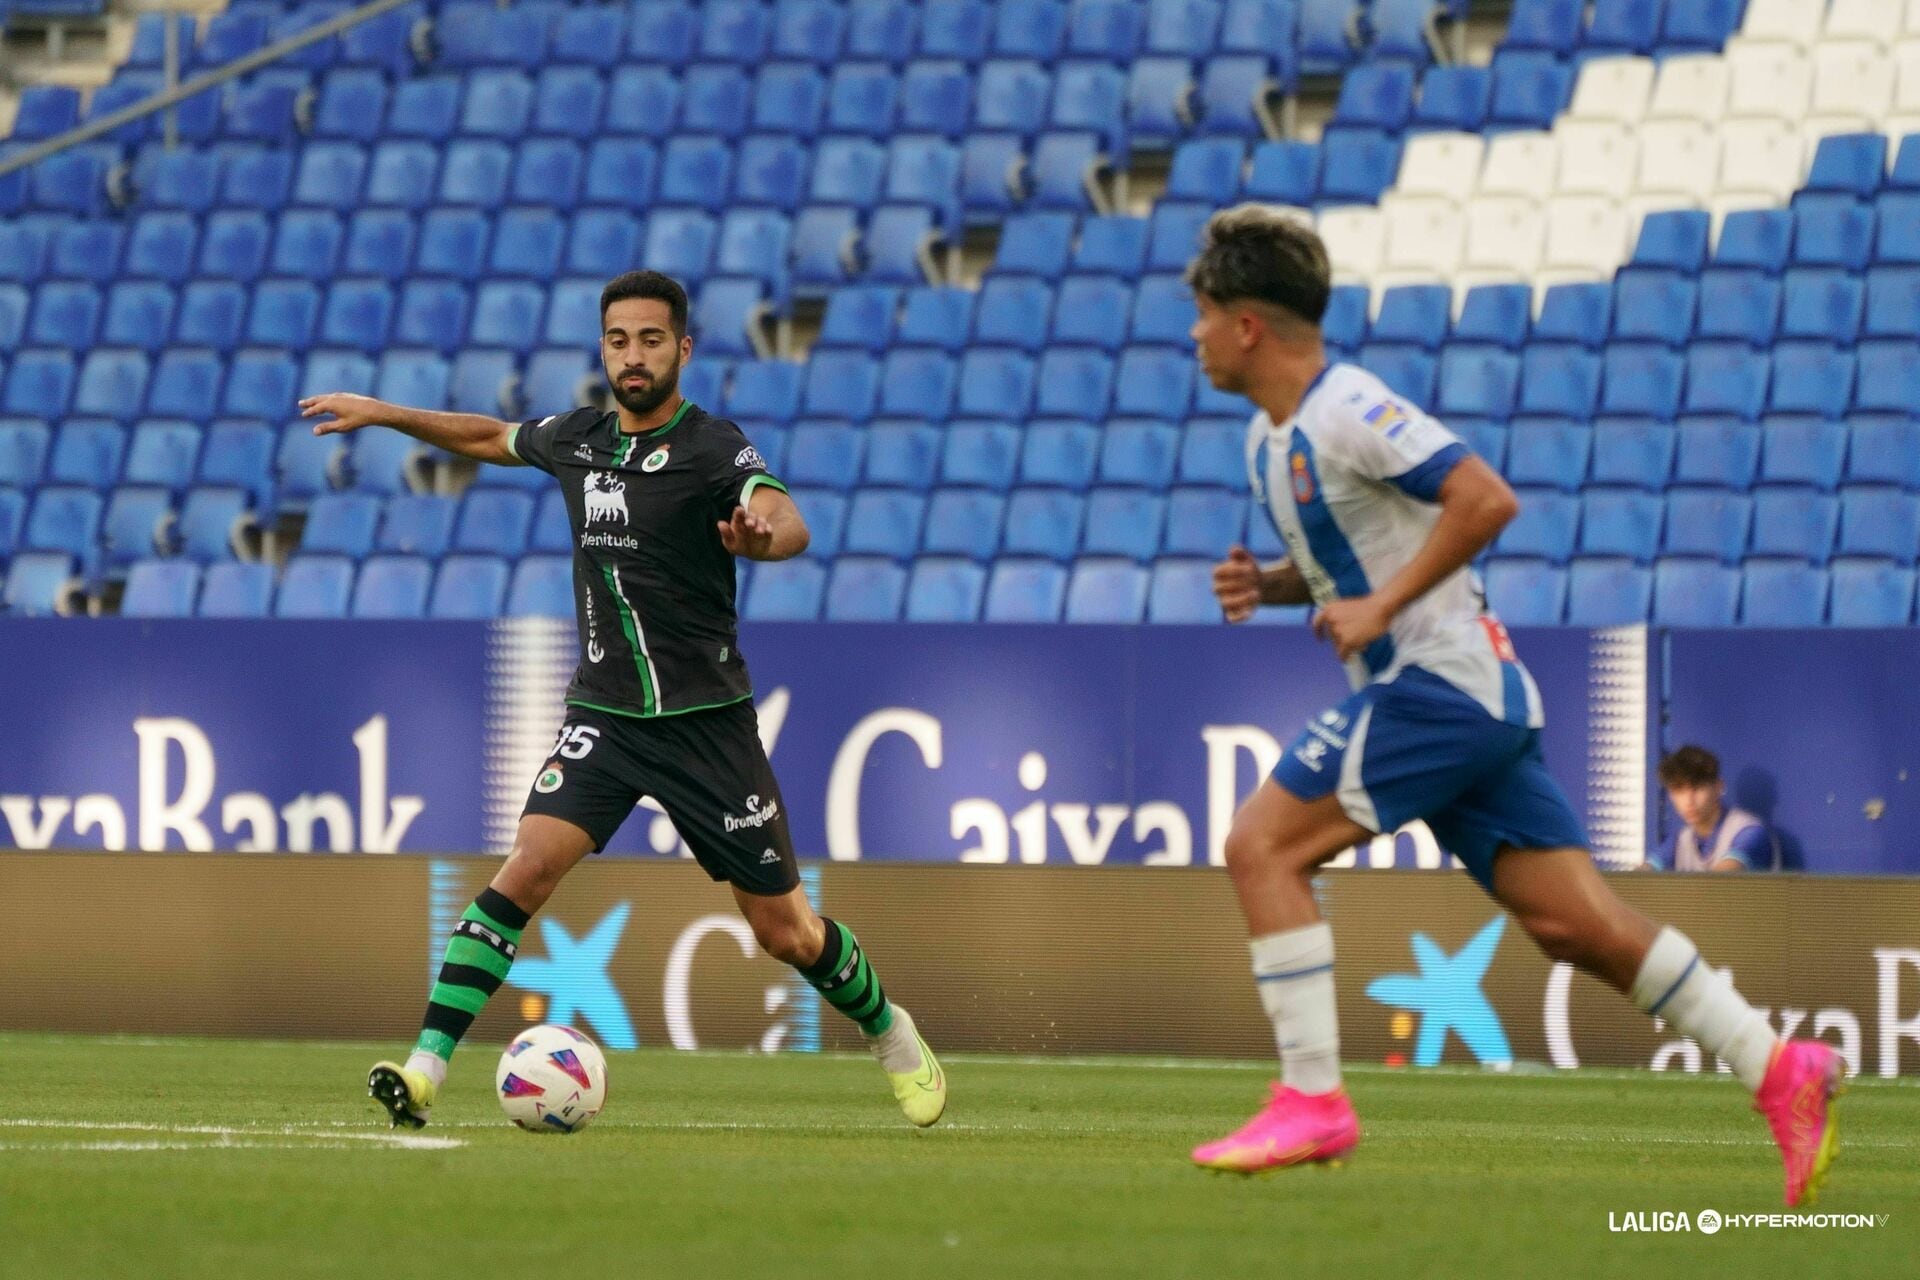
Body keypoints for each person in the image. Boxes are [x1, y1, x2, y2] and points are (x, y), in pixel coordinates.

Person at [1187, 206, 1838, 1206]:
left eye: (1202, 314)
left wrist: (1380, 610)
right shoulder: (1269, 444)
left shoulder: (1347, 406)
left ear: (1245, 325)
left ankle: (1312, 1096)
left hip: (1440, 688)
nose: (1192, 335)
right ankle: (1778, 1064)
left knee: (1261, 847)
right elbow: (1360, 557)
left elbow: (1485, 497)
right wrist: (1272, 585)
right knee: (1579, 926)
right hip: (1464, 703)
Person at [301, 270, 945, 1131]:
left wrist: (761, 539)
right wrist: (383, 413)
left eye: (650, 340)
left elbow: (785, 519)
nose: (632, 356)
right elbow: (489, 434)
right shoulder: (577, 439)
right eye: (617, 341)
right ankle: (423, 1072)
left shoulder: (712, 447)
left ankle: (889, 1028)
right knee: (525, 868)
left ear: (683, 348)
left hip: (706, 726)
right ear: (603, 350)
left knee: (785, 932)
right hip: (605, 718)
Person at [1649, 745, 1780, 872]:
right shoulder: (1681, 839)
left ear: (1718, 787)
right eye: (1679, 790)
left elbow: (1718, 881)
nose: (1689, 801)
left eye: (1697, 787)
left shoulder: (1750, 832)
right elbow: (1644, 873)